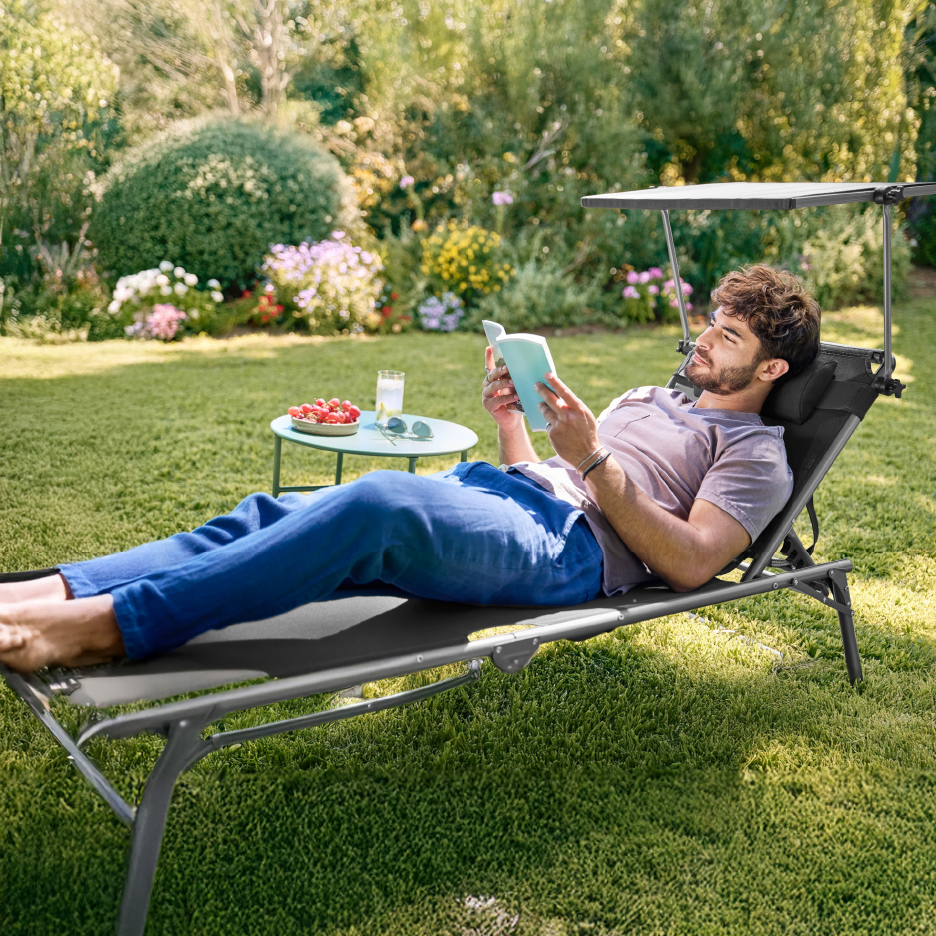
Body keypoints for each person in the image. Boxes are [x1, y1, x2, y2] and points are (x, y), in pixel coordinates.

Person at [0, 265, 820, 673]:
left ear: (772, 370)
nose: (704, 342)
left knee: (378, 505)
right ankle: (56, 590)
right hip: (512, 495)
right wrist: (513, 424)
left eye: (729, 338)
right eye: (711, 325)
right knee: (270, 512)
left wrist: (595, 456)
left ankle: (106, 627)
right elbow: (549, 472)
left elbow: (686, 564)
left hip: (571, 547)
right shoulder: (652, 392)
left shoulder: (756, 456)